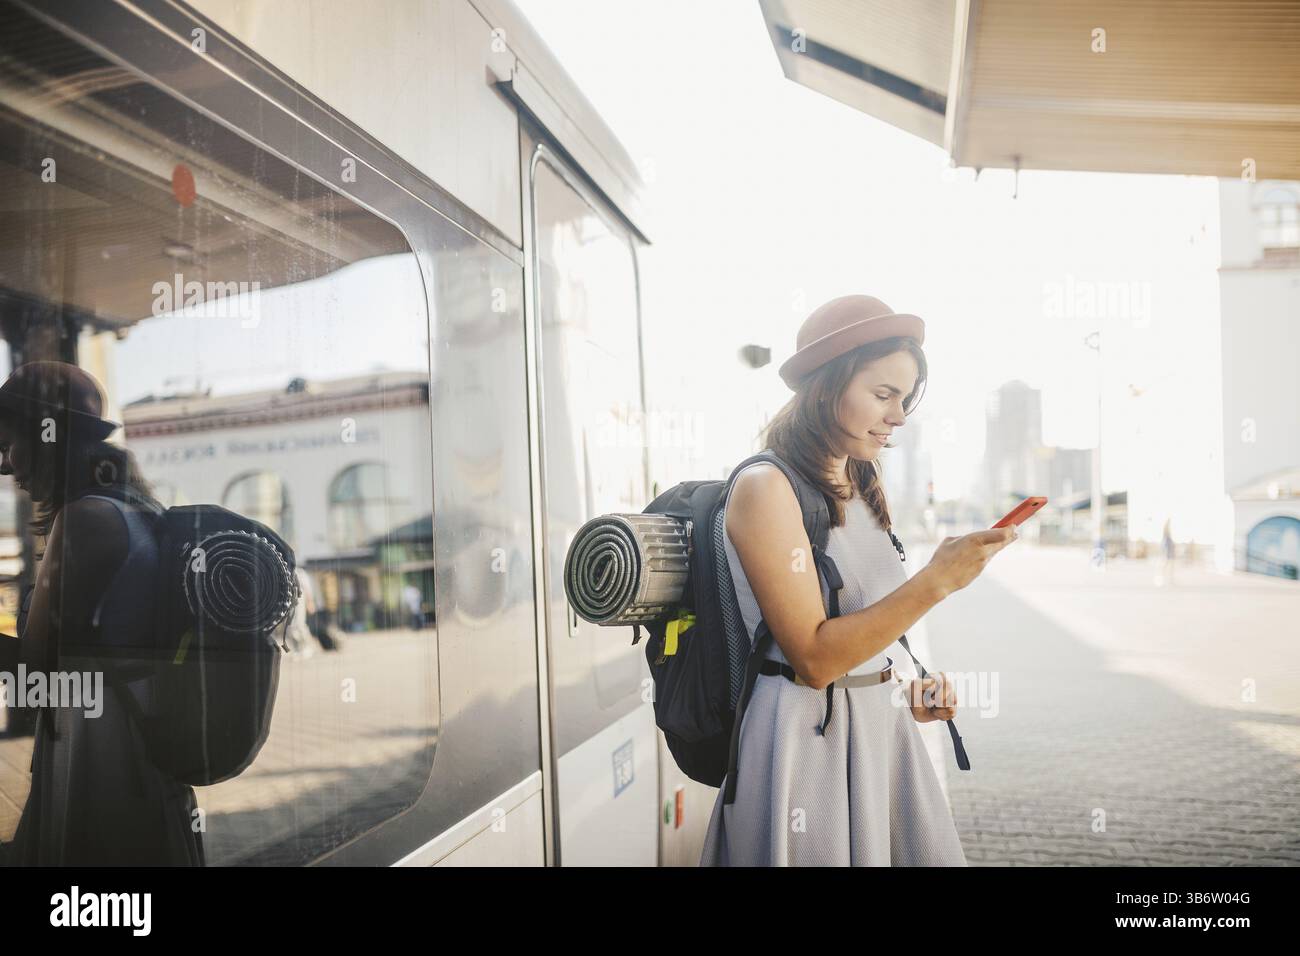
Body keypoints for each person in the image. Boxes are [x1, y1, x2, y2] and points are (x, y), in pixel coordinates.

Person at [700, 295, 1016, 866]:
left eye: (905, 398)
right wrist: (937, 580)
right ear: (826, 387)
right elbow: (815, 658)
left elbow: (867, 621)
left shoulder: (858, 477)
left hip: (877, 730)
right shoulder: (766, 487)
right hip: (805, 745)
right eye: (882, 394)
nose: (898, 415)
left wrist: (905, 683)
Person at [0, 361, 203, 865]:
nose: (4, 465)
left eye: (8, 444)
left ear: (49, 437)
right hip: (133, 749)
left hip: (101, 756)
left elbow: (34, 673)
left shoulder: (86, 520)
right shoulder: (134, 511)